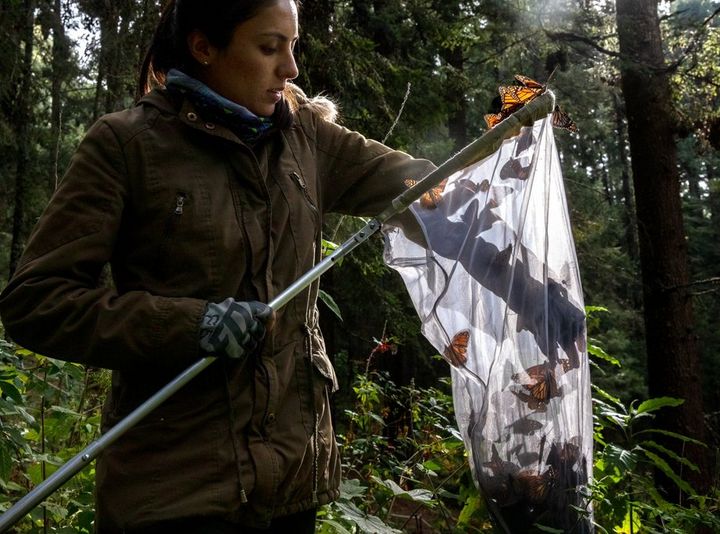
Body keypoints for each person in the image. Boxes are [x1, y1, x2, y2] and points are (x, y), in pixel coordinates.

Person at [0, 0, 435, 532]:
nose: (291, 68)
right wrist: (193, 325)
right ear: (204, 47)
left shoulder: (305, 138)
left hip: (291, 492)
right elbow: (36, 301)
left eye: (292, 46)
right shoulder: (128, 146)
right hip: (175, 496)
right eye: (269, 47)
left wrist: (503, 137)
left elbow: (418, 184)